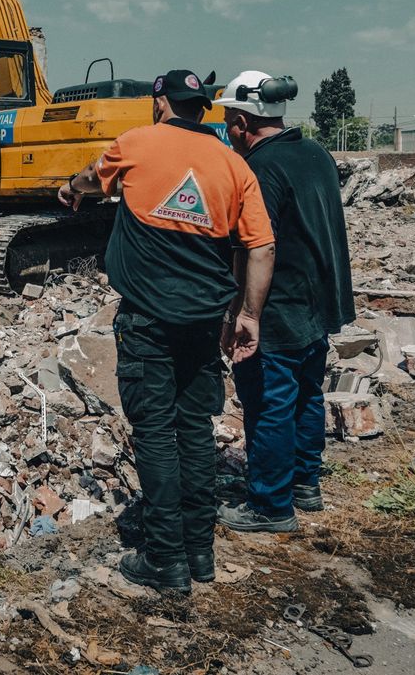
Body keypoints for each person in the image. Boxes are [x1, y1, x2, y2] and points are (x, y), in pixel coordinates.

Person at [59, 69, 275, 591]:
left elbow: (92, 177)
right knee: (195, 432)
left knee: (155, 433)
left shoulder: (136, 143)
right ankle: (200, 553)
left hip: (147, 321)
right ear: (203, 107)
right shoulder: (233, 163)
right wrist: (248, 316)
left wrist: (72, 189)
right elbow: (261, 247)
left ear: (162, 103)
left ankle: (164, 559)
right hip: (205, 324)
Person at [215, 70, 355, 533]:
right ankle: (303, 484)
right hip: (318, 304)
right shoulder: (314, 152)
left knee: (268, 402)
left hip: (279, 304)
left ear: (241, 121)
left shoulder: (258, 168)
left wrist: (241, 312)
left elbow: (256, 247)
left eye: (229, 121)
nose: (228, 131)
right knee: (306, 394)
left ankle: (271, 505)